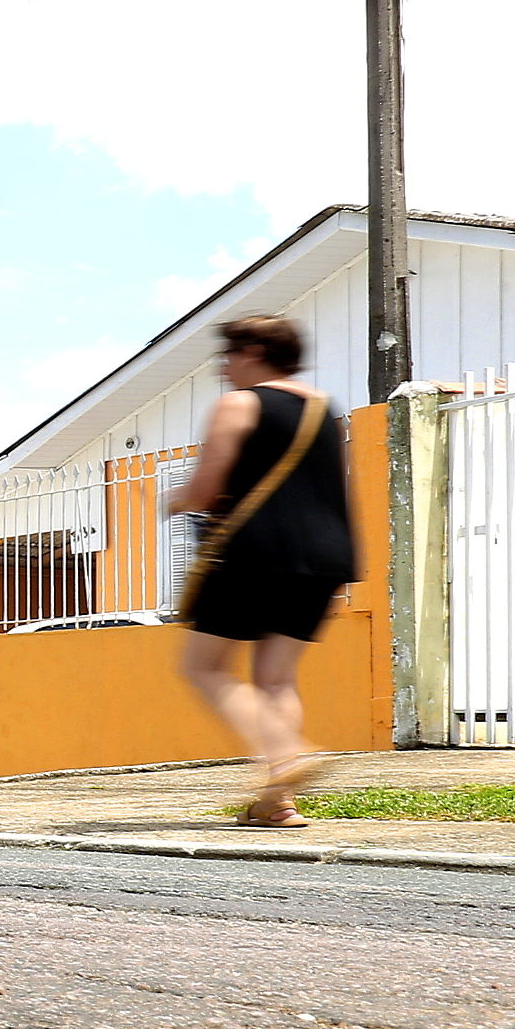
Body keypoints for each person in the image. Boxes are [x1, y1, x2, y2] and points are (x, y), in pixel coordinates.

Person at [161, 312, 357, 826]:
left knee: (203, 667)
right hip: (323, 559)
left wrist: (175, 500)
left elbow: (206, 490)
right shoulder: (323, 410)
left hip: (255, 553)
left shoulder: (239, 404)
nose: (223, 366)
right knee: (275, 676)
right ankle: (278, 801)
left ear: (253, 353)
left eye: (229, 354)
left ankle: (290, 755)